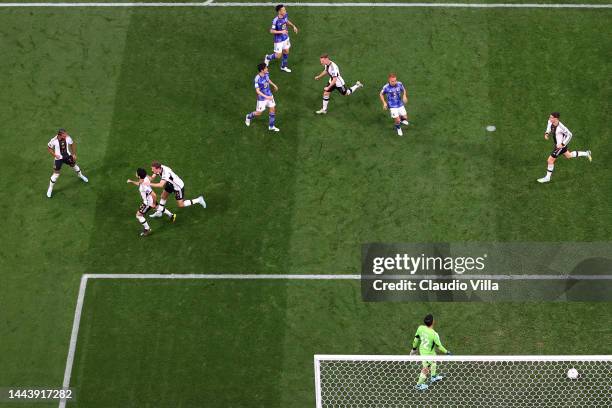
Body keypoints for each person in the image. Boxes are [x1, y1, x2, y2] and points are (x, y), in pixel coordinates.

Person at [537, 112, 591, 183]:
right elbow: (549, 127)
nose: (549, 118)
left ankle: (547, 178)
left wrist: (562, 144)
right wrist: (547, 133)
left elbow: (570, 135)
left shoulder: (561, 127)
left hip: (560, 147)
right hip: (557, 145)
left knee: (550, 160)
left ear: (555, 119)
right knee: (569, 155)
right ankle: (586, 153)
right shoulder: (550, 122)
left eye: (551, 117)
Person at [127, 168, 176, 237]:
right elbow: (139, 183)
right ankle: (171, 215)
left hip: (147, 203)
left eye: (136, 173)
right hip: (151, 200)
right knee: (158, 207)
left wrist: (152, 203)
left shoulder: (144, 186)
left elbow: (154, 194)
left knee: (138, 215)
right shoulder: (145, 178)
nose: (135, 173)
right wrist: (131, 181)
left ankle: (147, 229)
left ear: (139, 176)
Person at [410, 314, 451, 391]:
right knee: (425, 369)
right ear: (433, 322)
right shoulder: (434, 334)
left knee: (434, 360)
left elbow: (416, 339)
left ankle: (433, 377)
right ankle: (418, 385)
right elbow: (439, 346)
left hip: (426, 350)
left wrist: (414, 349)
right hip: (426, 354)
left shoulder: (420, 328)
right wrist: (447, 352)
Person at [46, 129, 88, 198]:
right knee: (56, 174)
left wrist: (74, 154)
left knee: (74, 166)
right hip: (58, 159)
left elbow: (72, 144)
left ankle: (80, 175)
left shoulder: (68, 138)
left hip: (67, 156)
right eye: (64, 134)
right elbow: (49, 148)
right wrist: (55, 155)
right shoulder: (53, 140)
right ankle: (50, 189)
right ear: (60, 135)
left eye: (66, 134)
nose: (66, 135)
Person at [245, 63, 280, 132]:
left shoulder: (267, 73)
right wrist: (266, 97)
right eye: (266, 68)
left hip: (269, 95)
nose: (267, 69)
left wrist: (274, 85)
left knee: (272, 109)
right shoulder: (257, 79)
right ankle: (248, 116)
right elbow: (257, 91)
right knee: (259, 113)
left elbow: (268, 79)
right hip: (262, 99)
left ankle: (271, 126)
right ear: (262, 70)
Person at [264, 4, 299, 73]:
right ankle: (267, 57)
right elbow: (271, 31)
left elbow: (286, 21)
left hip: (285, 38)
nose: (285, 11)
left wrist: (293, 26)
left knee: (286, 51)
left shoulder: (285, 15)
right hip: (278, 40)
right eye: (284, 10)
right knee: (278, 56)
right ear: (279, 11)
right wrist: (281, 31)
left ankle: (283, 67)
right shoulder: (275, 20)